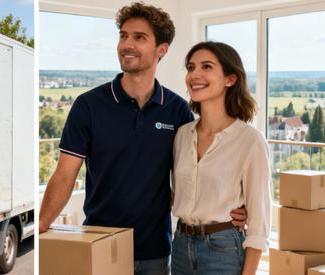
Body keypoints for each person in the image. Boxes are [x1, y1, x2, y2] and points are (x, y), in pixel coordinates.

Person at [37, 3, 246, 274]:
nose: (127, 44)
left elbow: (195, 176)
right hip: (101, 242)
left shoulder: (177, 111)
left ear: (162, 49)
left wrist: (233, 209)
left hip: (155, 251)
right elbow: (65, 174)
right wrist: (42, 223)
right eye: (123, 35)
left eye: (139, 37)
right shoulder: (88, 106)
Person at [171, 41, 270, 275]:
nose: (194, 74)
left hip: (223, 250)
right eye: (191, 67)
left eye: (206, 66)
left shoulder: (250, 140)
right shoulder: (182, 135)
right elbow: (178, 193)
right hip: (181, 246)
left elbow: (259, 223)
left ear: (230, 79)